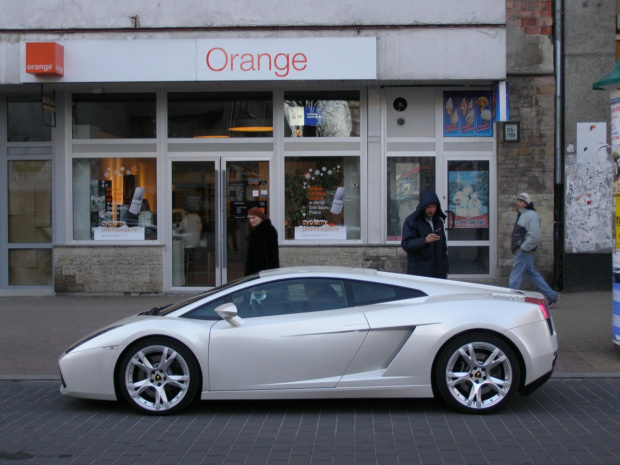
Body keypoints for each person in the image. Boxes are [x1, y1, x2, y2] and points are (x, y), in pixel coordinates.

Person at [509, 192, 560, 307]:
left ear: (527, 203)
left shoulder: (530, 215)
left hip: (524, 251)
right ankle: (551, 295)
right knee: (531, 274)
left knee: (515, 275)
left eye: (521, 201)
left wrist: (523, 248)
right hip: (525, 250)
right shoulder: (525, 215)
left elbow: (534, 236)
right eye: (518, 201)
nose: (519, 203)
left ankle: (510, 298)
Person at [401, 189, 449, 278]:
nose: (431, 210)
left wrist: (445, 269)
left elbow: (443, 248)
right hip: (420, 271)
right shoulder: (412, 221)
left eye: (434, 207)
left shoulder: (438, 221)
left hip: (438, 271)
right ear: (423, 207)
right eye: (429, 207)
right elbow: (406, 244)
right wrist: (424, 240)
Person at [244, 207, 279, 276]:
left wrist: (270, 273)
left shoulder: (268, 230)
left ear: (261, 218)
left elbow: (271, 255)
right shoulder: (255, 230)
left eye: (254, 218)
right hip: (254, 271)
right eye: (250, 218)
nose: (251, 220)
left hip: (262, 272)